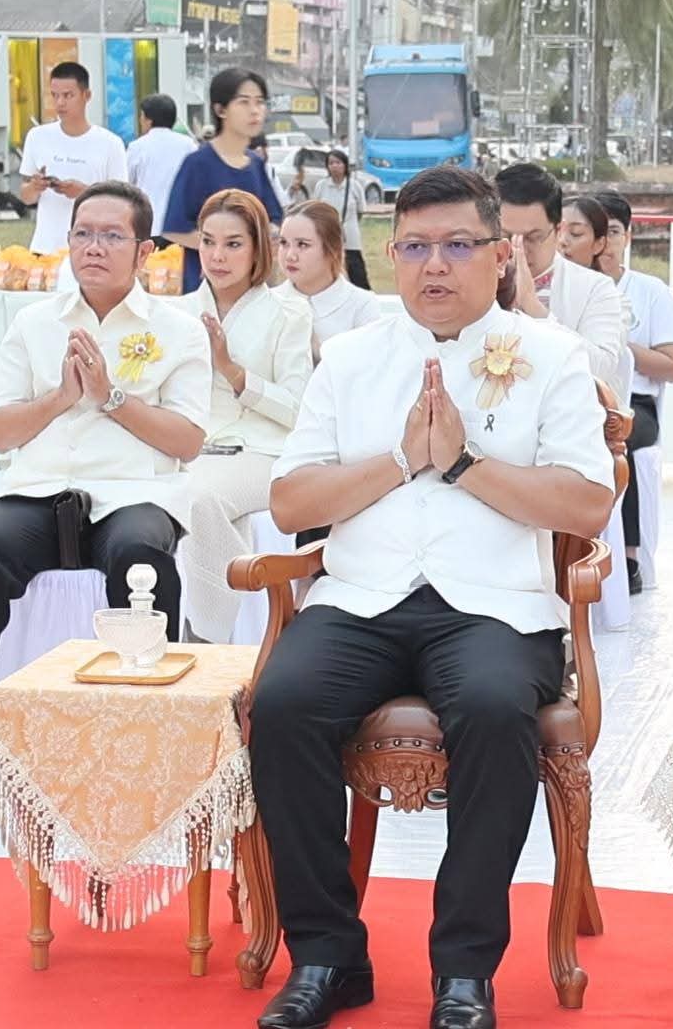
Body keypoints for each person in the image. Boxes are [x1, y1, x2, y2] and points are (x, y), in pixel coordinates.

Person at [249, 166, 614, 1029]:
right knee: (284, 702)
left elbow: (587, 503)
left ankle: (464, 971)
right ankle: (328, 957)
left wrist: (464, 465)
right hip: (360, 598)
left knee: (492, 710)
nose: (434, 266)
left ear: (502, 255)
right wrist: (400, 462)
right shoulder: (349, 357)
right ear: (392, 255)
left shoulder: (552, 355)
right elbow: (291, 503)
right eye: (414, 247)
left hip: (494, 606)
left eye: (457, 246)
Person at [0, 182, 210, 777]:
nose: (94, 246)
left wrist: (111, 397)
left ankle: (146, 726)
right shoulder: (34, 324)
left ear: (144, 253)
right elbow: (2, 433)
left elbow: (188, 440)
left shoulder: (180, 329)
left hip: (136, 492)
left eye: (112, 235)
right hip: (40, 491)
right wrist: (62, 397)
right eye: (83, 233)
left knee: (140, 553)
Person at [175, 190, 312, 643]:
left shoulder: (288, 312)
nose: (217, 256)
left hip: (263, 450)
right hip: (193, 448)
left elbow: (298, 408)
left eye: (233, 244)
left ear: (258, 248)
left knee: (202, 500)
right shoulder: (177, 313)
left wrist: (234, 373)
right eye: (208, 241)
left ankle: (206, 637)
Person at [589, 191, 673, 595]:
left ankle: (628, 557)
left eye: (612, 232)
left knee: (618, 436)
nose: (604, 245)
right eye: (595, 234)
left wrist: (616, 344)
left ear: (626, 237)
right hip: (579, 399)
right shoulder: (572, 288)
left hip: (635, 403)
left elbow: (672, 366)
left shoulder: (649, 291)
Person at [494, 162, 629, 397]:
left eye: (533, 238)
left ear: (559, 230)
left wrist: (535, 309)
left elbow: (602, 369)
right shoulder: (470, 281)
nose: (519, 250)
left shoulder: (595, 289)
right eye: (506, 237)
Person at [162, 68, 284, 293]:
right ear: (220, 109)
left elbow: (274, 218)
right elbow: (174, 228)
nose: (255, 111)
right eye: (244, 102)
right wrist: (221, 248)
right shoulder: (197, 164)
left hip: (252, 286)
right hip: (206, 287)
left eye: (260, 102)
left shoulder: (256, 165)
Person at [19, 62, 130, 255]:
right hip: (45, 248)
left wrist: (84, 193)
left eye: (68, 95)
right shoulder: (37, 136)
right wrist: (35, 187)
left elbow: (121, 202)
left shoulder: (110, 143)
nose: (60, 103)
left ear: (86, 96)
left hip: (93, 250)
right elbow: (26, 197)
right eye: (55, 95)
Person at [280, 199, 381, 357]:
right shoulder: (267, 301)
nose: (290, 255)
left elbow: (369, 372)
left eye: (302, 245)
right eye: (283, 243)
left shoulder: (362, 306)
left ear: (332, 249)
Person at [126, 93, 199, 237]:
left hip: (147, 225)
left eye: (141, 116)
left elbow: (126, 184)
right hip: (181, 228)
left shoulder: (137, 146)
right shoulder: (189, 145)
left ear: (148, 119)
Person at [310, 149, 370, 289]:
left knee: (355, 268)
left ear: (345, 165)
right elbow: (315, 209)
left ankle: (363, 296)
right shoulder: (321, 186)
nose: (335, 166)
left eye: (338, 162)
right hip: (327, 232)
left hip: (349, 231)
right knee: (327, 265)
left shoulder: (354, 186)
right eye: (331, 163)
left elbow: (361, 210)